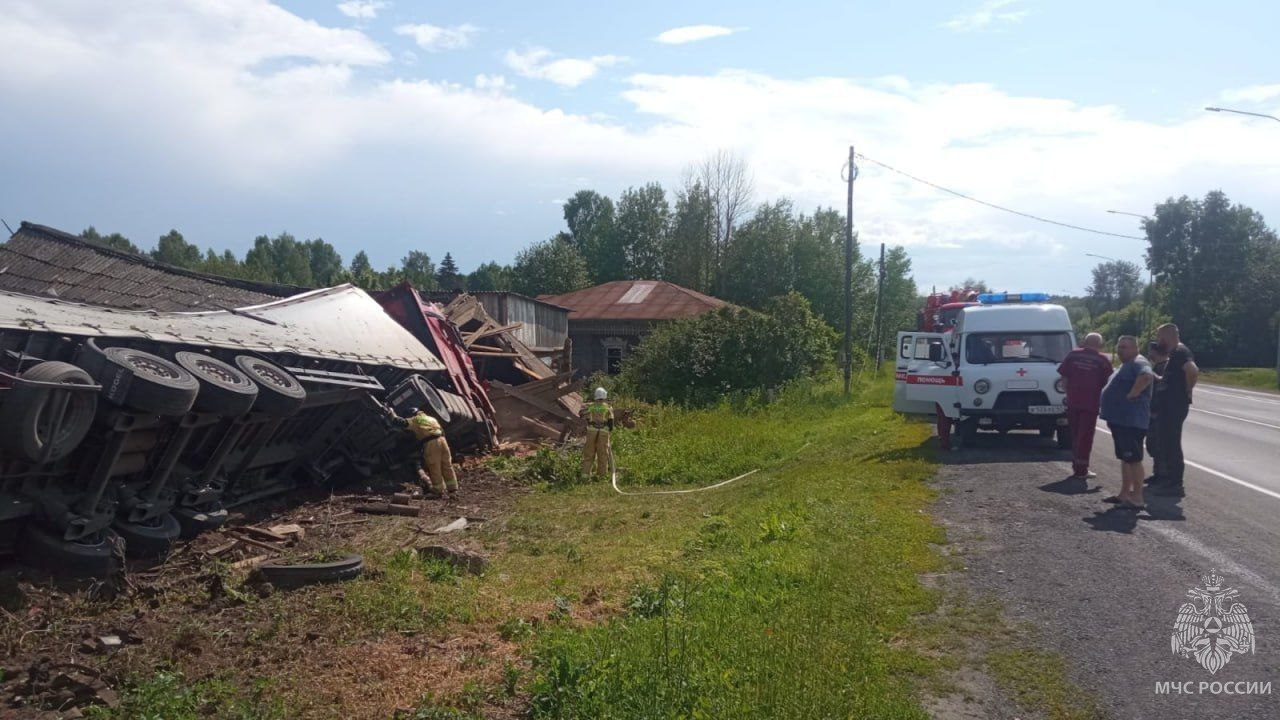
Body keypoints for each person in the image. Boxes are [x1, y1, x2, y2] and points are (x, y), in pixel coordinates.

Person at [1098, 336, 1155, 510]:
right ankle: (1124, 494)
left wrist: (1134, 392)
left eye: (1125, 347)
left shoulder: (1139, 362)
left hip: (1131, 421)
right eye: (1119, 346)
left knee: (1134, 459)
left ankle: (1137, 498)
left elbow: (1146, 376)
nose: (1120, 350)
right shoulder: (1126, 364)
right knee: (1125, 458)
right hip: (1121, 420)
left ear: (1136, 348)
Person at [1056, 332, 1114, 480]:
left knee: (1075, 434)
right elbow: (1107, 380)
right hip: (1090, 403)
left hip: (1073, 402)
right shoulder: (1102, 360)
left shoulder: (1073, 355)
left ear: (1084, 341)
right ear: (1099, 344)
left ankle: (1077, 465)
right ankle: (1081, 470)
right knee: (1085, 436)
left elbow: (1064, 377)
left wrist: (1068, 393)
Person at [1151, 324, 1198, 497]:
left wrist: (1187, 390)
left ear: (1166, 336)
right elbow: (1172, 378)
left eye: (1159, 337)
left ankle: (1175, 484)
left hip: (1174, 405)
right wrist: (1158, 378)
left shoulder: (1180, 352)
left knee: (1172, 444)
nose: (1158, 341)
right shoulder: (1175, 353)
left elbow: (1192, 371)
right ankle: (1166, 478)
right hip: (1168, 405)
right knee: (1165, 442)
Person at [390, 406, 458, 497]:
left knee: (434, 466)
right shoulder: (431, 418)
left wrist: (391, 413)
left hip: (431, 443)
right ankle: (453, 490)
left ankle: (438, 491)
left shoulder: (415, 419)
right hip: (443, 441)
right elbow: (442, 430)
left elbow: (401, 422)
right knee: (447, 465)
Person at [1145, 342, 1170, 485]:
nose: (1149, 355)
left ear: (1155, 351)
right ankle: (1157, 472)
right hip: (1152, 410)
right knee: (1152, 443)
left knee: (1158, 444)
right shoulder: (1157, 366)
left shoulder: (1166, 366)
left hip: (1160, 412)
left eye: (1150, 351)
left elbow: (1163, 387)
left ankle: (1163, 475)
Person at [582, 387, 615, 478]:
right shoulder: (608, 407)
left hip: (592, 431)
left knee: (589, 453)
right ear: (604, 396)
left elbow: (586, 417)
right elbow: (611, 421)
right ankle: (601, 476)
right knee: (602, 454)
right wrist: (610, 430)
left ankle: (585, 475)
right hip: (603, 432)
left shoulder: (591, 406)